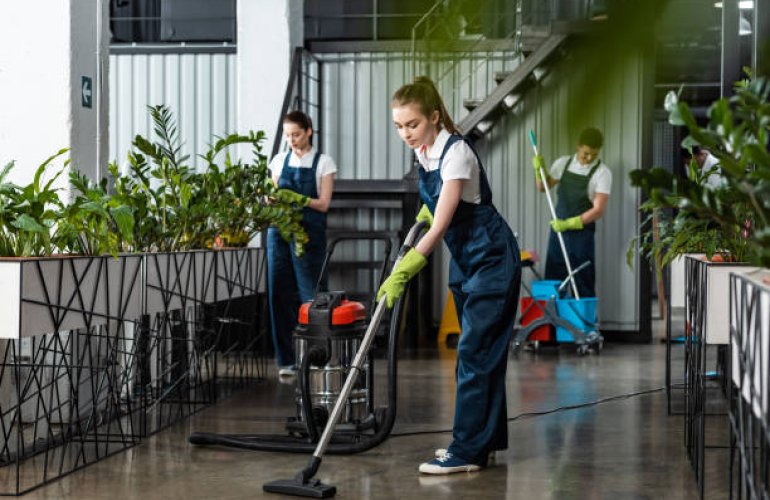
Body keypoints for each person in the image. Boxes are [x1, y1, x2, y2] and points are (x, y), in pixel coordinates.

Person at [381, 76, 521, 474]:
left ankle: (466, 451)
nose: (406, 133)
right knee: (482, 354)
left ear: (434, 118)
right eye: (399, 126)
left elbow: (440, 225)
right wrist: (428, 211)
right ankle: (485, 441)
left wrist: (405, 267)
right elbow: (440, 204)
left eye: (412, 124)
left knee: (474, 353)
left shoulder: (455, 152)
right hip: (465, 262)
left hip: (491, 258)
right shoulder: (424, 152)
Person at [267, 110, 336, 377]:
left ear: (309, 131)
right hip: (280, 234)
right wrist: (271, 200)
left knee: (313, 295)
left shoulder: (324, 162)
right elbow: (272, 196)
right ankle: (286, 361)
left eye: (296, 134)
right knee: (279, 294)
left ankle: (319, 358)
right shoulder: (278, 161)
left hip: (310, 235)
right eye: (288, 136)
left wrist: (296, 198)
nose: (292, 140)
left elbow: (324, 203)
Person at [533, 127, 611, 298]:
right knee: (554, 280)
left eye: (594, 155)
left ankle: (584, 323)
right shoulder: (563, 163)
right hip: (558, 233)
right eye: (585, 154)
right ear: (578, 146)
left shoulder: (602, 173)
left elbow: (598, 210)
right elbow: (542, 187)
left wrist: (571, 223)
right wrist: (539, 171)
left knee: (583, 280)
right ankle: (553, 324)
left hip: (582, 235)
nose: (589, 158)